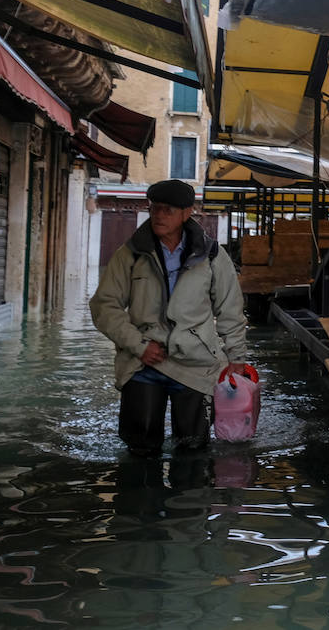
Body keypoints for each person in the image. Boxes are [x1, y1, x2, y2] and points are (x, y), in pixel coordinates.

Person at [91, 179, 250, 456]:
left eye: (168, 210)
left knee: (193, 449)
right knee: (139, 448)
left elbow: (230, 310)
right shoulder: (130, 254)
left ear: (187, 213)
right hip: (142, 364)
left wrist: (236, 359)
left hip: (197, 366)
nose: (159, 216)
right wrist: (139, 345)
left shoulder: (212, 256)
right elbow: (104, 307)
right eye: (155, 209)